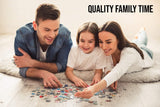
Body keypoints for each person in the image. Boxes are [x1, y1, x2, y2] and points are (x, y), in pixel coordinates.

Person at [75, 21, 153, 98]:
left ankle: (142, 30)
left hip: (145, 52)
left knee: (141, 41)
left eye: (108, 42)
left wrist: (93, 89)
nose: (104, 47)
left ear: (118, 40)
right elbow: (107, 65)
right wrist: (109, 73)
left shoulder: (130, 53)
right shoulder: (108, 50)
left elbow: (117, 71)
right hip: (128, 45)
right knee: (135, 41)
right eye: (101, 42)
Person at [13, 4, 73, 88]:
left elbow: (62, 66)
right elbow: (23, 68)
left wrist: (32, 63)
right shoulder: (22, 35)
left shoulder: (65, 35)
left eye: (56, 30)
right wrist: (42, 73)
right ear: (35, 26)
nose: (52, 35)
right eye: (47, 30)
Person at [65, 22, 107, 88]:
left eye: (90, 41)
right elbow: (68, 71)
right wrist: (76, 80)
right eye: (82, 41)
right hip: (76, 72)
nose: (85, 45)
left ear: (96, 41)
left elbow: (99, 71)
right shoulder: (74, 50)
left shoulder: (99, 51)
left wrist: (97, 76)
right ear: (78, 39)